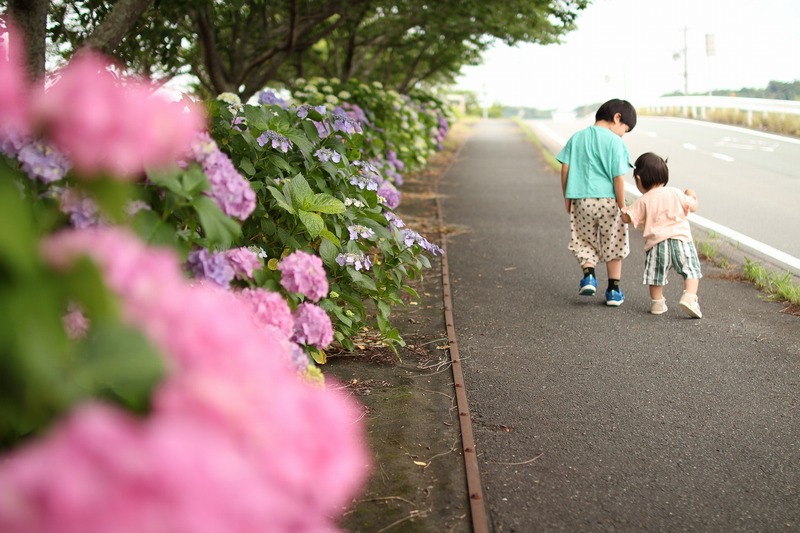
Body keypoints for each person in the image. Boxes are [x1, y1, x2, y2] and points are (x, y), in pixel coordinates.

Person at [557, 98, 636, 306]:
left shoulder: (577, 137)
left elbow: (564, 168)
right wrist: (622, 205)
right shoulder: (616, 142)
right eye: (625, 129)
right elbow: (618, 177)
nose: (623, 134)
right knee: (614, 243)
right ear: (617, 118)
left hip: (581, 200)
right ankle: (613, 291)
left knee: (584, 240)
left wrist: (567, 197)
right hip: (610, 202)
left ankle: (589, 276)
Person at [620, 152, 703, 318]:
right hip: (681, 241)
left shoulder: (643, 200)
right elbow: (692, 206)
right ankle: (689, 297)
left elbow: (626, 218)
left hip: (657, 245)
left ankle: (657, 303)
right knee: (691, 270)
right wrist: (692, 195)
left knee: (656, 276)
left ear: (639, 179)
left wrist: (622, 206)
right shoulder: (675, 192)